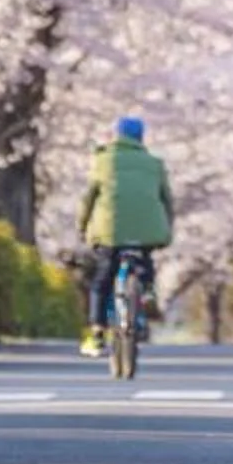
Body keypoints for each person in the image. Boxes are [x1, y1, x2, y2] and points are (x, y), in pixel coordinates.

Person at [78, 115, 174, 357]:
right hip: (147, 230)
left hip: (110, 232)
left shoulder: (103, 161)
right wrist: (166, 229)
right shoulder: (154, 163)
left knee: (102, 280)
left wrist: (83, 227)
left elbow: (89, 198)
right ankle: (147, 291)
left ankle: (97, 332)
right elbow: (167, 201)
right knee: (144, 262)